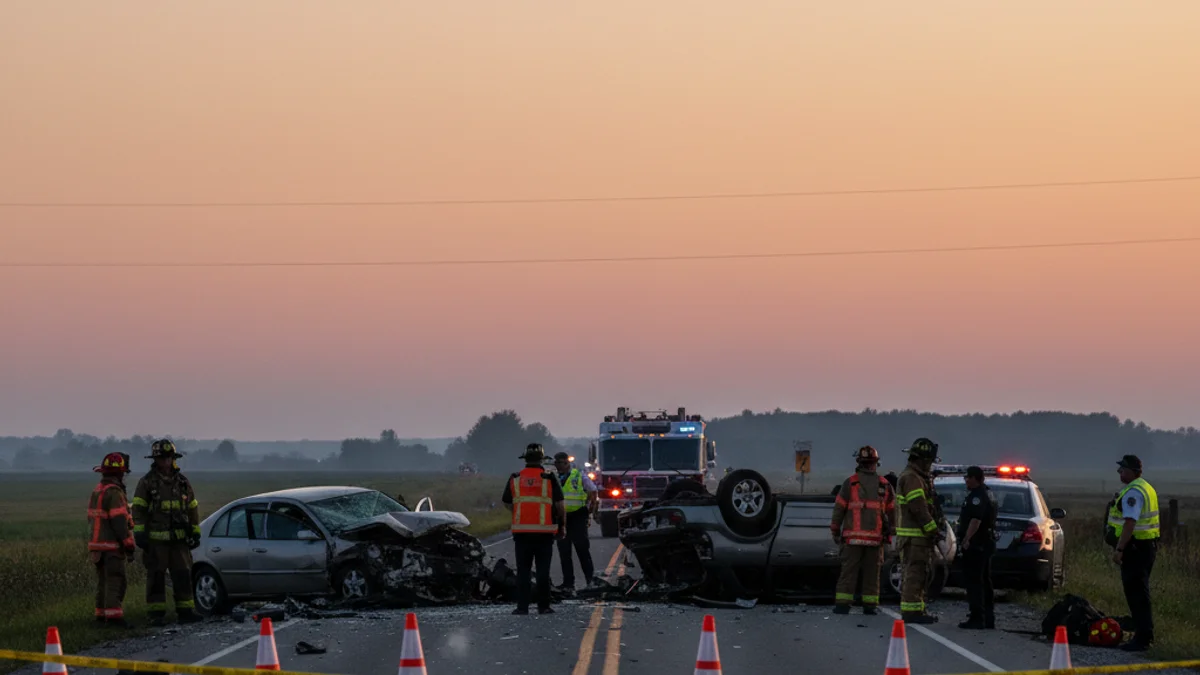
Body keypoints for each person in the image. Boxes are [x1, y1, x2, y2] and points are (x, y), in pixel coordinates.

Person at [131, 439, 202, 625]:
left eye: (168, 458)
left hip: (179, 541)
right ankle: (156, 614)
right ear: (155, 460)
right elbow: (138, 510)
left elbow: (192, 508)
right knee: (156, 577)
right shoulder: (147, 482)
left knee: (183, 574)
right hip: (156, 541)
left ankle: (186, 611)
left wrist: (195, 531)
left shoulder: (183, 483)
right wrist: (140, 533)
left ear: (173, 459)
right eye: (162, 458)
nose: (165, 462)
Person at [501, 443, 566, 615]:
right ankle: (543, 606)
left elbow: (507, 501)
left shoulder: (515, 477)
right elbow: (560, 505)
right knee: (543, 570)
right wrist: (562, 526)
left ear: (525, 460)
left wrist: (519, 511)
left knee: (523, 571)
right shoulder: (549, 477)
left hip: (521, 532)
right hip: (544, 532)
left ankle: (522, 607)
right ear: (542, 459)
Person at [830, 445, 895, 615]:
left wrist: (835, 530)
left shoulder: (850, 483)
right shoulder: (884, 485)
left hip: (852, 540)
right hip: (875, 540)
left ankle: (843, 605)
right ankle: (870, 605)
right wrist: (891, 532)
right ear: (875, 463)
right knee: (872, 574)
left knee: (848, 573)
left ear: (859, 462)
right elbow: (893, 511)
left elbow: (839, 509)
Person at [1107, 454, 1159, 651]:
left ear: (1133, 471)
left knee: (1136, 593)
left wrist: (1120, 549)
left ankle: (1143, 638)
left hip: (1135, 548)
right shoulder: (1145, 487)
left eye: (1123, 469)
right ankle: (1143, 633)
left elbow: (1130, 522)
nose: (1119, 472)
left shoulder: (1133, 492)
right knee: (1139, 592)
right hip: (1146, 546)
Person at [895, 437, 942, 624]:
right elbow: (919, 509)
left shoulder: (917, 477)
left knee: (921, 574)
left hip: (918, 538)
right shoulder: (912, 479)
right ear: (921, 460)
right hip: (915, 538)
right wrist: (933, 530)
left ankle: (918, 609)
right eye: (929, 461)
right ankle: (911, 612)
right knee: (914, 574)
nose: (930, 466)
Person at [88, 452, 136, 627]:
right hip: (111, 546)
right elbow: (119, 523)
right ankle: (114, 618)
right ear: (119, 473)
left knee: (103, 582)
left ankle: (101, 616)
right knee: (116, 580)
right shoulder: (114, 493)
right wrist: (128, 544)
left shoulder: (98, 490)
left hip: (96, 546)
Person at [956, 466, 998, 630]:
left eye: (968, 478)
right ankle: (988, 617)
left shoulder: (977, 496)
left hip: (977, 544)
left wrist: (967, 539)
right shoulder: (987, 493)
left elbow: (975, 520)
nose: (966, 480)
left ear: (975, 478)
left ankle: (977, 617)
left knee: (974, 581)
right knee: (985, 580)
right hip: (985, 542)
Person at [553, 452, 598, 592]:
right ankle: (568, 583)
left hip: (577, 516)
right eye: (557, 463)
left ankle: (590, 581)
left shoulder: (579, 476)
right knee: (564, 551)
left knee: (582, 549)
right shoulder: (553, 478)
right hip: (561, 517)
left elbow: (593, 491)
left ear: (568, 463)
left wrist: (590, 509)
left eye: (562, 463)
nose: (560, 466)